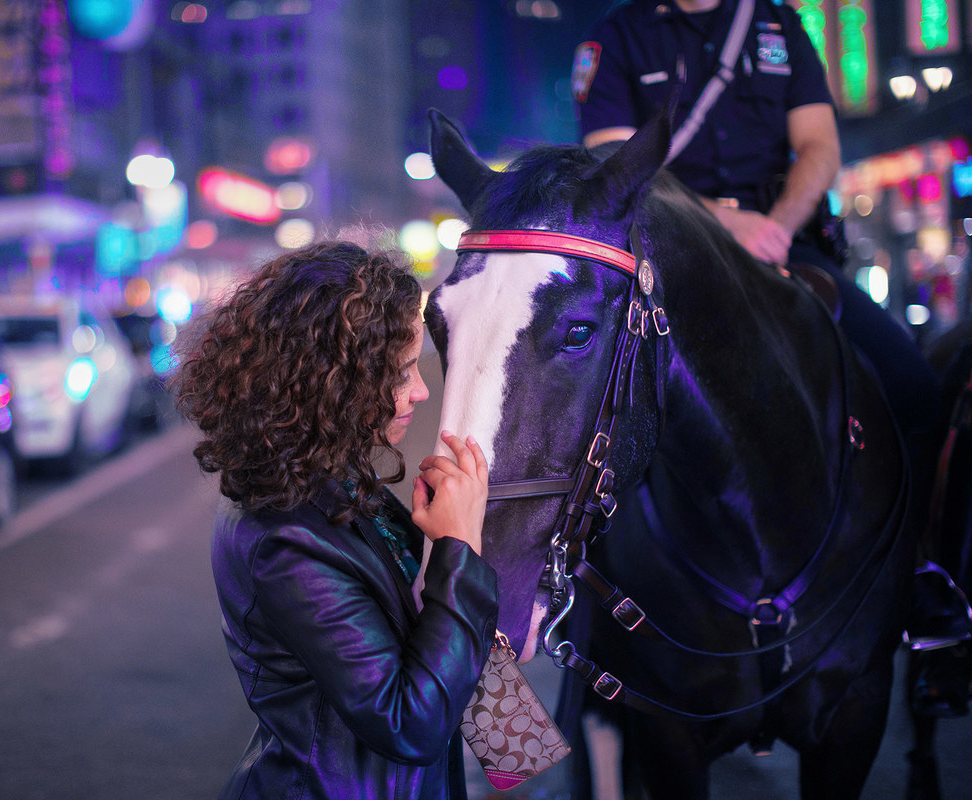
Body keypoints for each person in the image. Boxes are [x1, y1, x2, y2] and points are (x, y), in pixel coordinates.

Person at [572, 0, 969, 699]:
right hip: (673, 260)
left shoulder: (780, 24)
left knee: (911, 386)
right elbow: (614, 165)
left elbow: (819, 145)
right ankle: (586, 597)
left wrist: (777, 227)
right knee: (598, 406)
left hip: (788, 247)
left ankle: (923, 580)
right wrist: (725, 222)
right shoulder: (617, 38)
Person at [175, 240, 497, 800]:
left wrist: (514, 743)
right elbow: (409, 723)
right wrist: (458, 548)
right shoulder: (286, 536)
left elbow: (416, 635)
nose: (420, 390)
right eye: (399, 374)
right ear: (330, 380)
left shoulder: (327, 478)